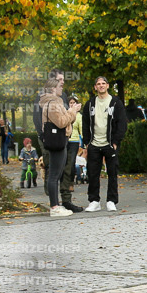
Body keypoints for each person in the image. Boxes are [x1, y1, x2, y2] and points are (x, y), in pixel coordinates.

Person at [82, 76, 129, 212]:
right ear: (95, 87)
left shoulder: (115, 103)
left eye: (103, 83)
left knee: (112, 173)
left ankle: (111, 200)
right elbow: (85, 124)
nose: (101, 85)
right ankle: (94, 201)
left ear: (108, 86)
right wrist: (87, 143)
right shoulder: (90, 104)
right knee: (93, 174)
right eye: (98, 84)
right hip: (94, 144)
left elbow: (122, 124)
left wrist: (115, 142)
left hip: (110, 144)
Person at [39, 75, 81, 217]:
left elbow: (68, 121)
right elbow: (62, 122)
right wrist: (72, 111)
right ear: (53, 88)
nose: (62, 88)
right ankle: (54, 207)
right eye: (60, 86)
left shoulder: (56, 102)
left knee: (56, 174)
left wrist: (72, 111)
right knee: (54, 175)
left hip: (61, 140)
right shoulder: (52, 103)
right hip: (57, 141)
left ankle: (56, 205)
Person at [33, 69, 65, 199]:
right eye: (60, 80)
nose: (63, 82)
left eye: (63, 79)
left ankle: (63, 195)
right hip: (48, 136)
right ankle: (51, 194)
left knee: (61, 165)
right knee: (50, 164)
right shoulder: (41, 97)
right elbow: (36, 117)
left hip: (62, 136)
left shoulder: (63, 95)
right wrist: (42, 134)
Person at [60, 96, 84, 213]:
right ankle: (64, 187)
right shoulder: (65, 113)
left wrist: (84, 143)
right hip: (65, 140)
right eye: (70, 103)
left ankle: (70, 184)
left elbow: (81, 130)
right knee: (63, 165)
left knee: (70, 165)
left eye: (74, 103)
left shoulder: (79, 117)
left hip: (74, 141)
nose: (72, 104)